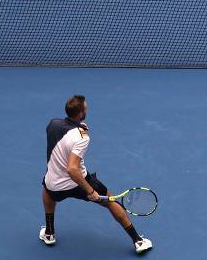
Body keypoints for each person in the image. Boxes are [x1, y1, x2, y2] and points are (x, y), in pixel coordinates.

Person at [40, 95, 153, 254]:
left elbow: (64, 135)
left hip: (54, 183)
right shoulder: (82, 137)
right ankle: (138, 241)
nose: (87, 109)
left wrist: (78, 128)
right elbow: (72, 169)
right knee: (111, 200)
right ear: (80, 113)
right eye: (85, 108)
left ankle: (49, 233)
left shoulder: (52, 124)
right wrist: (90, 191)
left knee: (47, 192)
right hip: (78, 182)